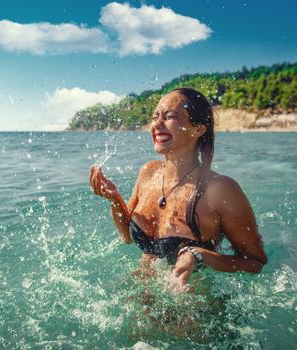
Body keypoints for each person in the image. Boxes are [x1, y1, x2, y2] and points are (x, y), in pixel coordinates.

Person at [89, 88, 267, 293]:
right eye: (155, 117)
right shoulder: (148, 172)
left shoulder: (220, 190)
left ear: (198, 129)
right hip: (140, 301)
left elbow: (256, 262)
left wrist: (200, 256)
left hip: (192, 313)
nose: (156, 124)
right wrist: (114, 200)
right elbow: (127, 237)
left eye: (169, 116)